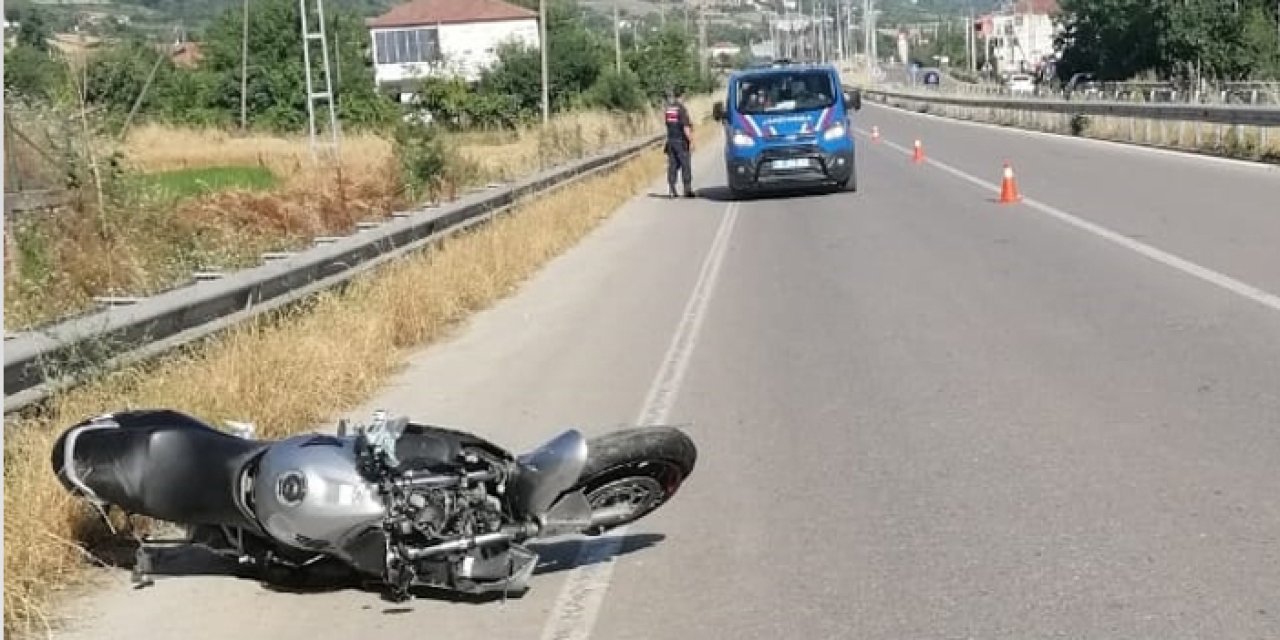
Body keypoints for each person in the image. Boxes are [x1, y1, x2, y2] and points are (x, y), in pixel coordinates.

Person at [662, 87, 694, 198]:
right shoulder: (681, 109)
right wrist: (691, 141)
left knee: (673, 165)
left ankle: (672, 188)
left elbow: (668, 125)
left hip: (671, 141)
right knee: (685, 165)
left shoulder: (669, 109)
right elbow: (685, 127)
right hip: (681, 141)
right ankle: (687, 189)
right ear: (681, 96)